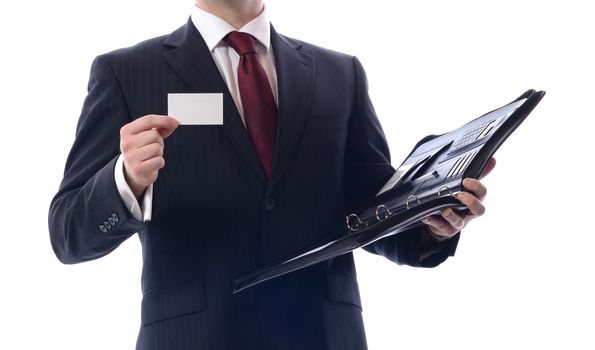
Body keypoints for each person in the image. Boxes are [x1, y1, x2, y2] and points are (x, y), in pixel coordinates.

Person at [48, 1, 495, 349]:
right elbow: (67, 233)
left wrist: (432, 221)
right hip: (197, 337)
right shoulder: (126, 72)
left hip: (323, 333)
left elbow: (369, 214)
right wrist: (125, 180)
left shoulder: (341, 73)